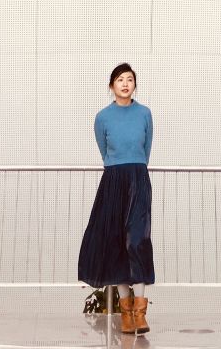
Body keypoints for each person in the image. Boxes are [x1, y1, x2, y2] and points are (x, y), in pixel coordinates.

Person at [77, 62, 155, 334]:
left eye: (130, 79)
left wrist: (133, 168)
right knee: (116, 243)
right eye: (120, 79)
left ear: (135, 84)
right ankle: (125, 313)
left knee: (138, 239)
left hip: (138, 178)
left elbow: (145, 150)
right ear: (111, 86)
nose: (125, 83)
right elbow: (104, 149)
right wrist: (118, 167)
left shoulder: (144, 113)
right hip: (113, 180)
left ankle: (141, 312)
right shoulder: (103, 117)